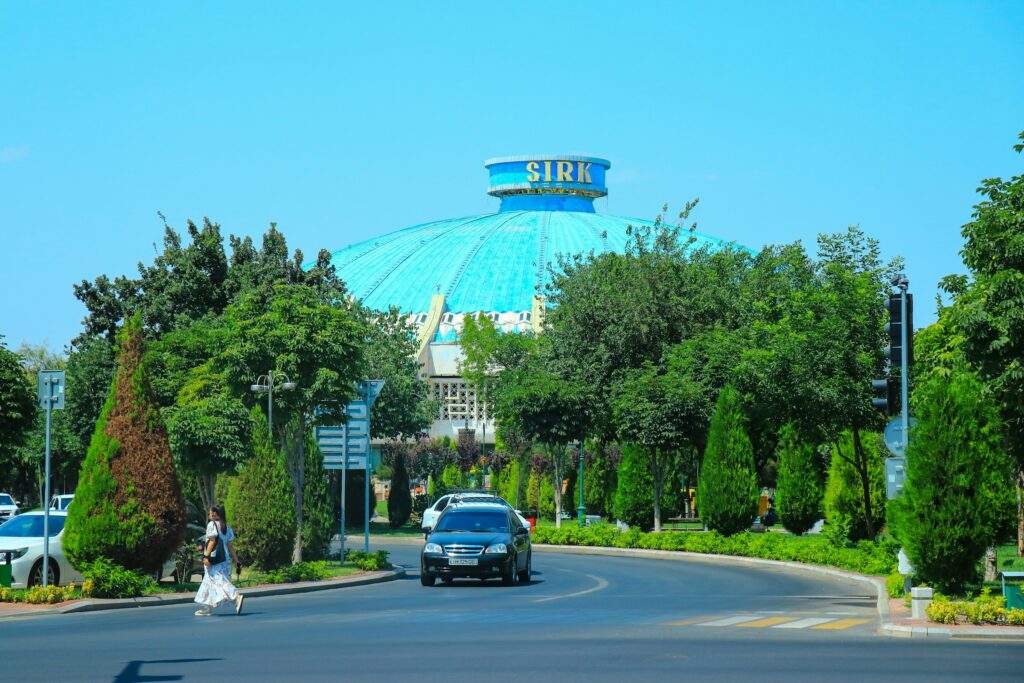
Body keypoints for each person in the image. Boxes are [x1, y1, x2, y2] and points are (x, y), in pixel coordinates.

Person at [194, 504, 244, 616]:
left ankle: (236, 596)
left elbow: (212, 542)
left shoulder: (211, 525)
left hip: (214, 560)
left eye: (210, 512)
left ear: (214, 514)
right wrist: (237, 561)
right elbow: (230, 547)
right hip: (224, 560)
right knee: (208, 581)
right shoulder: (227, 528)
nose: (209, 514)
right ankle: (207, 607)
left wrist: (206, 557)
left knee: (220, 581)